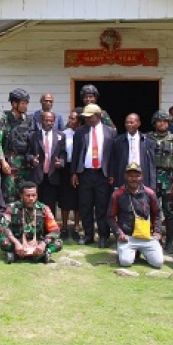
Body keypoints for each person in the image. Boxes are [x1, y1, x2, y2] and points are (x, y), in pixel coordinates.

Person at [71, 103, 116, 248]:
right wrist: (74, 173)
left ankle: (103, 236)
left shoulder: (110, 132)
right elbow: (76, 153)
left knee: (102, 207)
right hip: (85, 174)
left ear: (97, 116)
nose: (87, 120)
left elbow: (113, 156)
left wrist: (112, 173)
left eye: (89, 117)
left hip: (102, 175)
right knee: (85, 206)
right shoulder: (80, 132)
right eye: (85, 117)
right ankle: (89, 235)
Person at [107, 163, 163, 268]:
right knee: (125, 262)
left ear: (141, 177)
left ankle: (139, 252)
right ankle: (129, 251)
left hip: (147, 236)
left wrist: (157, 231)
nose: (134, 179)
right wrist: (119, 233)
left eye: (137, 176)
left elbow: (157, 213)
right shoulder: (117, 194)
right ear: (125, 176)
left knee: (158, 262)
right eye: (130, 176)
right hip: (127, 237)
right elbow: (110, 216)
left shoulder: (149, 193)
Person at [0, 181, 62, 263]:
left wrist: (44, 243)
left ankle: (43, 252)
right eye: (28, 196)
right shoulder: (12, 207)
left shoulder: (44, 209)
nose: (31, 198)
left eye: (34, 195)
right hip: (18, 241)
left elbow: (55, 230)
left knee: (58, 243)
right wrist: (16, 242)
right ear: (21, 196)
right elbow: (3, 227)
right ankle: (34, 255)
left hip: (37, 242)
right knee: (4, 242)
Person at [146, 110, 173, 253]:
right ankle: (152, 238)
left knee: (169, 211)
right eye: (159, 121)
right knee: (151, 210)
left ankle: (170, 241)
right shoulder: (147, 138)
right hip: (151, 177)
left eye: (165, 121)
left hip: (168, 178)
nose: (162, 123)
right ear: (155, 123)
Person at [0, 88, 33, 203]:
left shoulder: (29, 120)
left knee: (24, 196)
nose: (25, 106)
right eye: (23, 103)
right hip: (9, 164)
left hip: (25, 165)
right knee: (9, 196)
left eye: (26, 103)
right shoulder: (3, 120)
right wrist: (2, 161)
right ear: (14, 104)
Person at [27, 111, 66, 215]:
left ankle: (49, 230)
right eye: (46, 120)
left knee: (50, 207)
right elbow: (28, 153)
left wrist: (61, 162)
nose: (49, 123)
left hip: (52, 176)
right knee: (35, 206)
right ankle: (36, 229)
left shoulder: (60, 136)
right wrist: (32, 159)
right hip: (37, 176)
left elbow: (63, 153)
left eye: (51, 121)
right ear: (41, 121)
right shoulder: (33, 135)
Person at [111, 113, 157, 190]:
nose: (129, 125)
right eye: (127, 123)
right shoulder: (118, 141)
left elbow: (151, 165)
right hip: (124, 178)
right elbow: (114, 161)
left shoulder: (147, 141)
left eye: (131, 122)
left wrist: (152, 185)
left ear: (139, 123)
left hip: (142, 178)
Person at [58, 110, 82, 241]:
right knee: (65, 198)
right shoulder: (64, 133)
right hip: (66, 168)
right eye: (70, 118)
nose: (70, 120)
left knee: (78, 199)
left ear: (79, 121)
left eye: (74, 118)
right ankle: (65, 227)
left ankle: (77, 227)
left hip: (79, 168)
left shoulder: (83, 132)